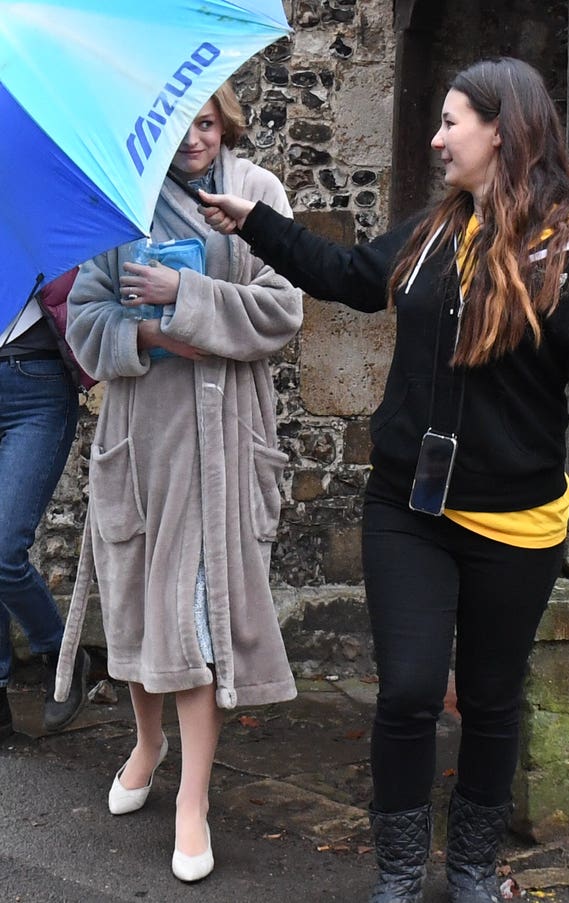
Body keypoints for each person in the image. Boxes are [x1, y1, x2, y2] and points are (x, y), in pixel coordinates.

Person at [198, 58, 569, 903]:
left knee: (490, 695)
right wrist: (256, 222)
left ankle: (470, 867)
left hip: (517, 520)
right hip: (409, 504)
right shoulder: (438, 229)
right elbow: (353, 278)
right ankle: (399, 872)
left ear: (501, 129)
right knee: (404, 689)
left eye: (450, 123)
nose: (435, 139)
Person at [53, 81, 302, 884]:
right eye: (180, 124)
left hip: (224, 440)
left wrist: (185, 297)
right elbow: (85, 321)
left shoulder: (258, 192)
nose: (194, 138)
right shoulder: (118, 207)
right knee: (139, 607)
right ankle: (148, 742)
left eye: (206, 122)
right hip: (140, 439)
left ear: (223, 122)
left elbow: (283, 307)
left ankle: (191, 797)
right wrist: (152, 331)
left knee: (194, 618)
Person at [0, 269, 91, 740]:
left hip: (36, 386)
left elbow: (86, 284)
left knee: (3, 551)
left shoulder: (49, 202)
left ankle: (61, 652)